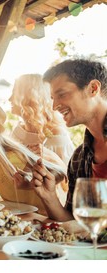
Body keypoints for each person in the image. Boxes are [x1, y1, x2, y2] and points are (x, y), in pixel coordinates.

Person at [0, 95, 67, 216]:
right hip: (16, 218)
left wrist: (29, 183)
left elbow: (60, 173)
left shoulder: (13, 157)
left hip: (41, 217)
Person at [32, 58, 107, 222]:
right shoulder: (79, 158)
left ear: (93, 89)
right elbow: (74, 223)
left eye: (62, 94)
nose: (54, 106)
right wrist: (49, 196)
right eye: (53, 97)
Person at [9, 74, 75, 166]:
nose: (9, 99)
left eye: (14, 94)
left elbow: (69, 175)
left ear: (29, 98)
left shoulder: (56, 136)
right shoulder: (18, 131)